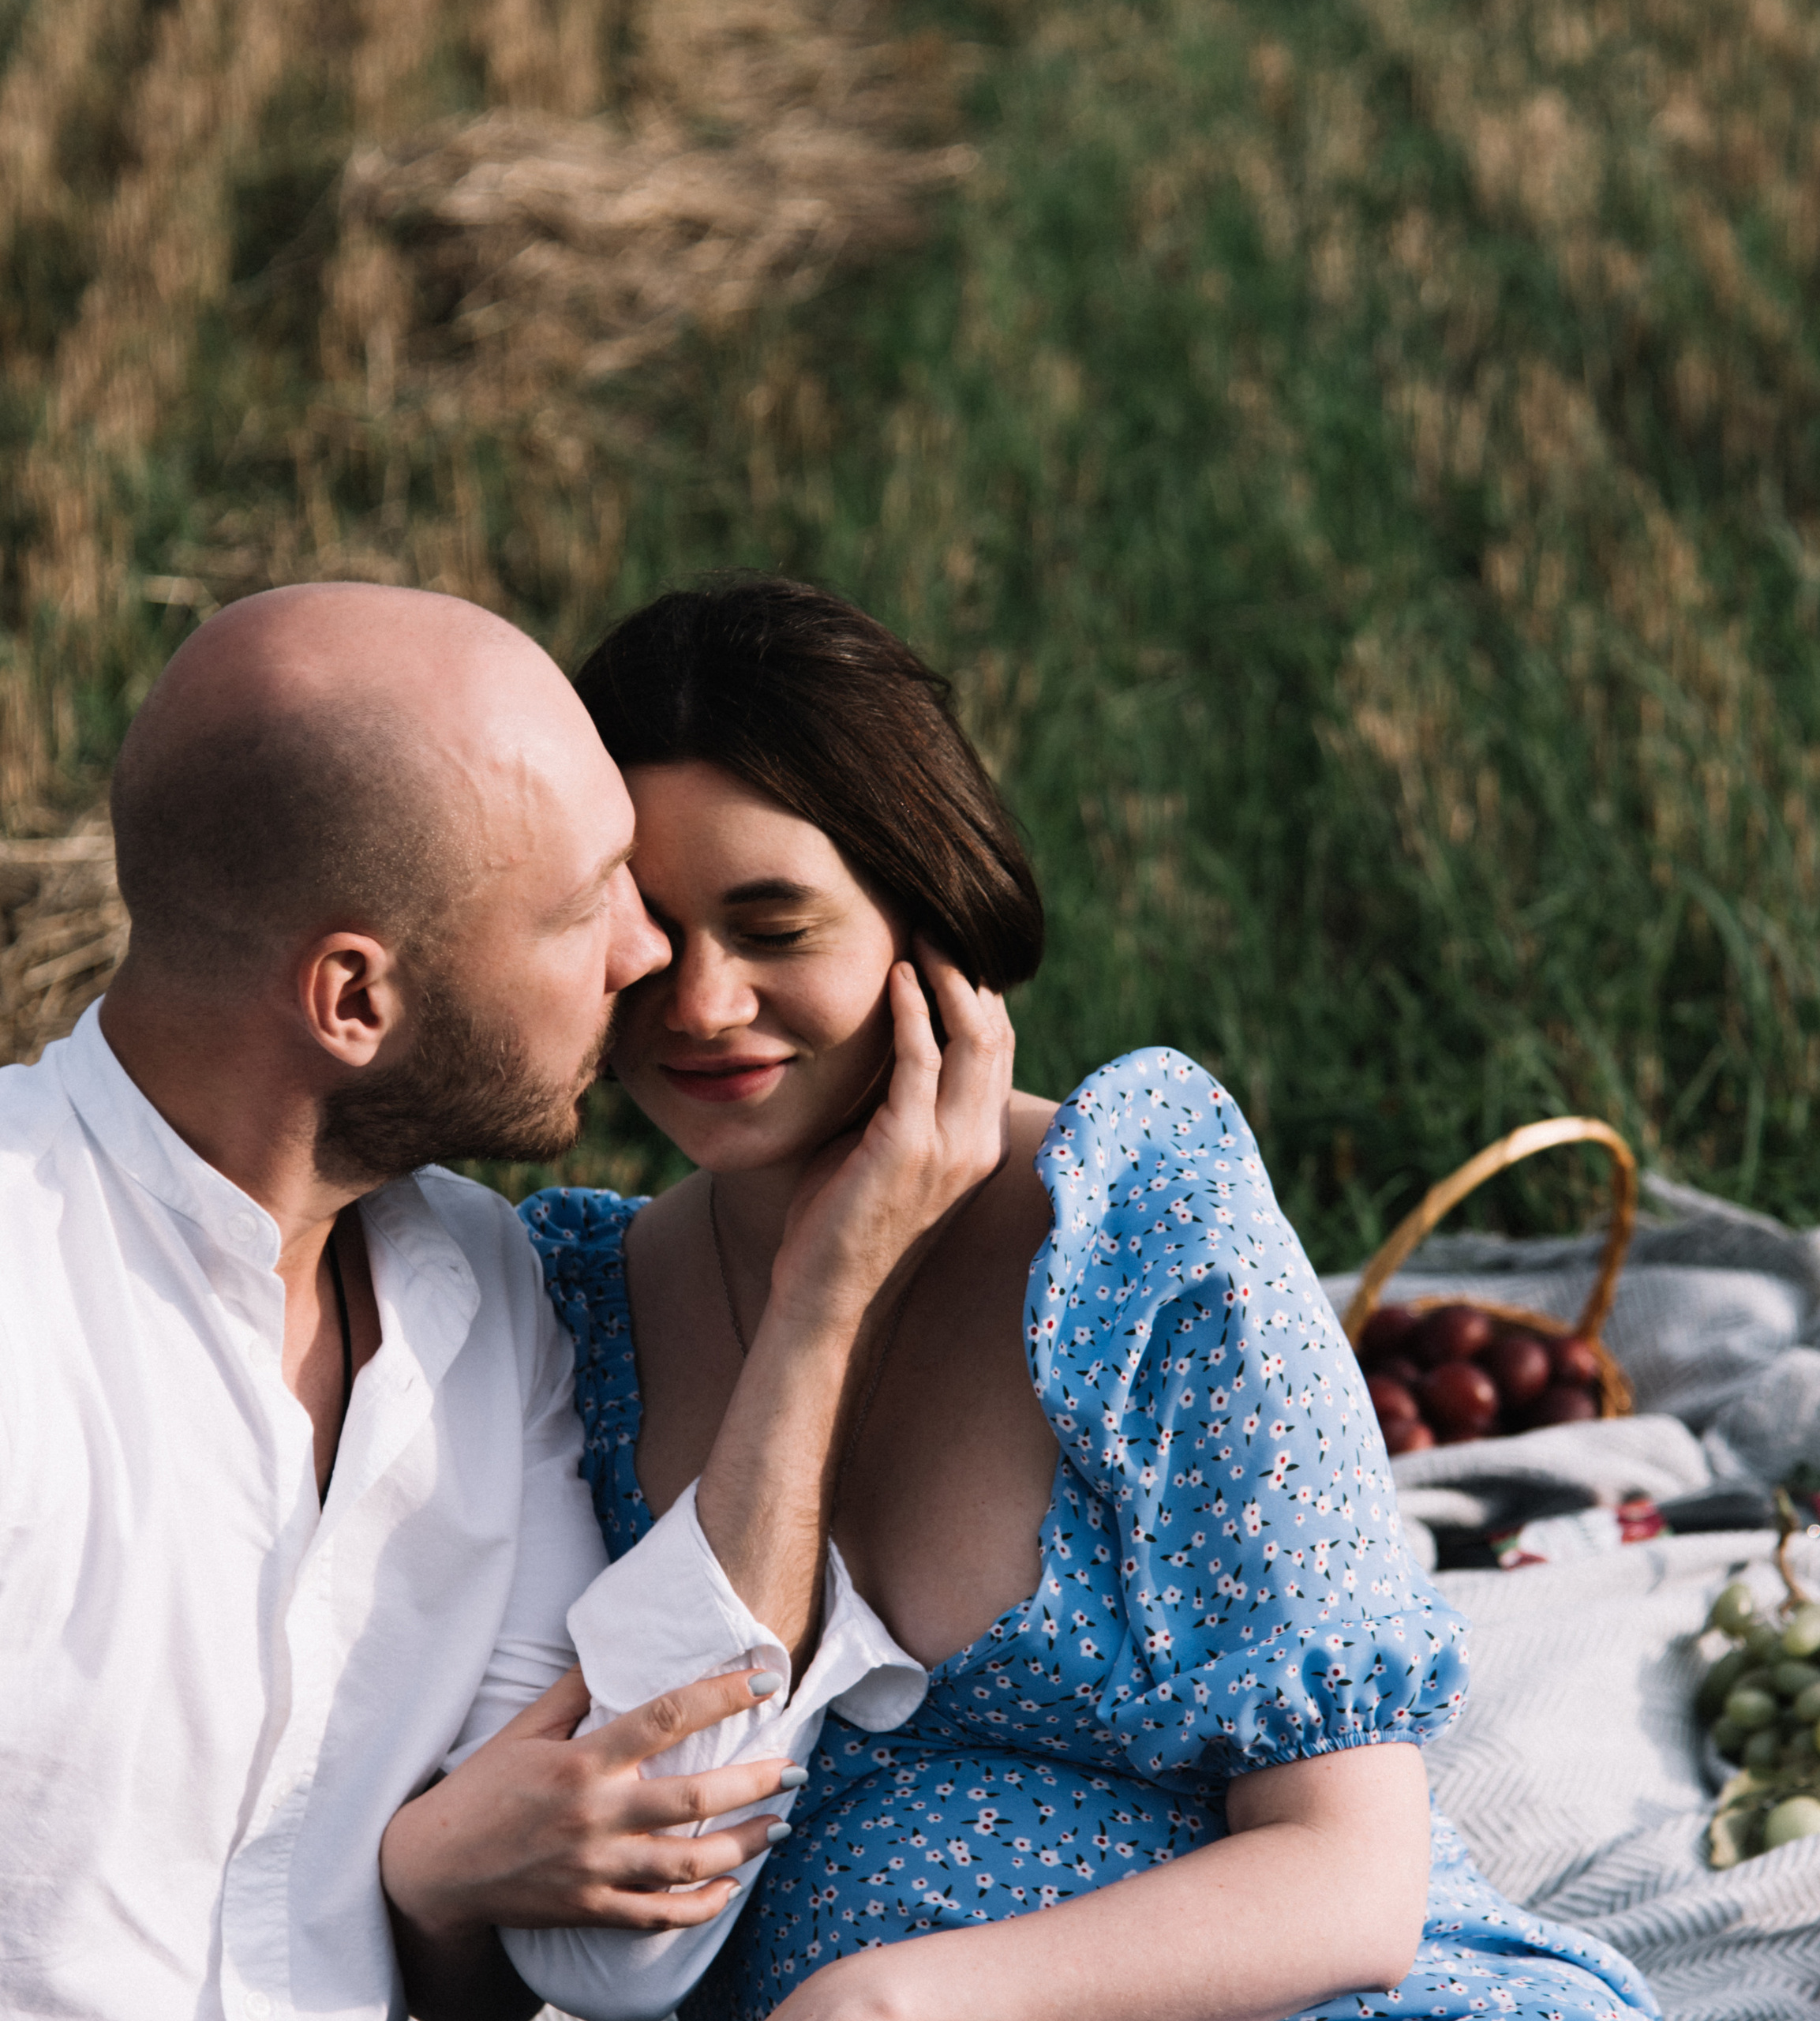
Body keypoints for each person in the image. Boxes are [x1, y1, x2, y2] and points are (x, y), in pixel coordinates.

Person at [512, 576, 1661, 2021]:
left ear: (923, 913)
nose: (699, 1004)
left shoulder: (1137, 1223)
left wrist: (883, 2006)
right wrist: (822, 1298)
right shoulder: (578, 1307)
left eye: (776, 926)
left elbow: (1353, 1880)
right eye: (653, 936)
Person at [0, 582, 1012, 2021]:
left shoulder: (492, 1295)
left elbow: (624, 1919)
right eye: (589, 903)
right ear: (354, 1000)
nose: (648, 959)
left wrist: (821, 1302)